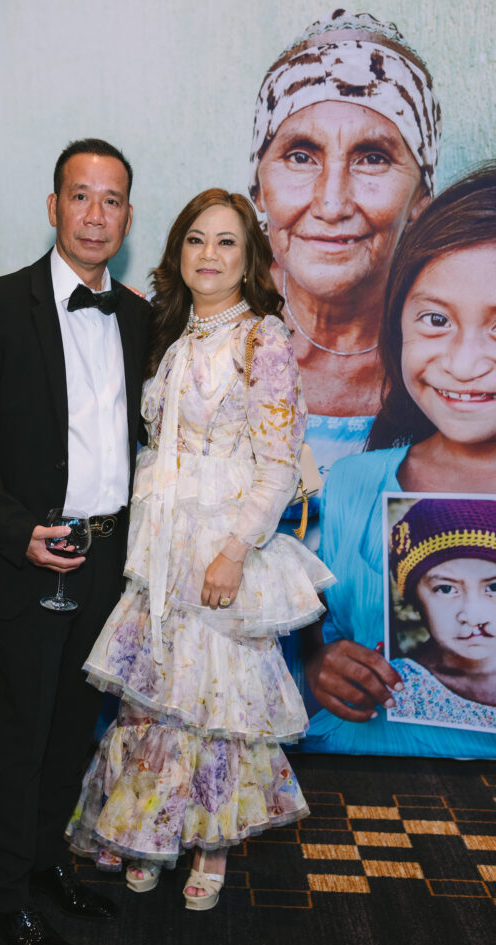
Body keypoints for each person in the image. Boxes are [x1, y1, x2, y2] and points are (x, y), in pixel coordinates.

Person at [65, 189, 334, 909]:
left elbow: (279, 464)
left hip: (220, 547)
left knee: (219, 704)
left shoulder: (262, 340)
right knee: (154, 702)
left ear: (248, 261)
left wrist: (233, 552)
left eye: (224, 243)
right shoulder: (173, 333)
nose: (207, 256)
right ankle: (151, 828)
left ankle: (210, 850)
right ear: (176, 252)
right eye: (194, 240)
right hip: (157, 548)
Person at [0, 138, 151, 945]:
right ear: (53, 207)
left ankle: (47, 864)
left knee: (69, 733)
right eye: (81, 197)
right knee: (19, 733)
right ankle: (2, 896)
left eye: (112, 199)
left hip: (105, 557)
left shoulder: (135, 316)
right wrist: (13, 528)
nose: (96, 214)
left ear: (127, 216)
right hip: (27, 554)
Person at [301, 164, 496, 758]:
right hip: (362, 783)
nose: (463, 364)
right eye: (435, 320)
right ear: (398, 327)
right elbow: (327, 633)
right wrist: (322, 663)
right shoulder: (356, 484)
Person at [248, 9, 441, 544]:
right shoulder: (181, 325)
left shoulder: (456, 357)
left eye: (372, 157)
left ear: (420, 200)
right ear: (258, 191)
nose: (332, 203)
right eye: (301, 155)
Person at [386, 497, 496, 732]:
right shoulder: (398, 689)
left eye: (493, 588)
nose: (474, 617)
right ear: (416, 602)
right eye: (446, 589)